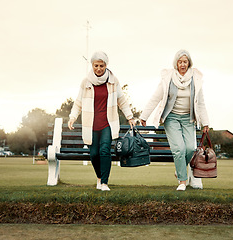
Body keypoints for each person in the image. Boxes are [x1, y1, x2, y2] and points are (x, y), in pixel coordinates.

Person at [140, 49, 210, 191]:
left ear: (189, 63)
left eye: (185, 61)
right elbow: (156, 97)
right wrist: (144, 116)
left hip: (188, 119)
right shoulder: (169, 78)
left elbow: (200, 102)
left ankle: (180, 169)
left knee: (190, 149)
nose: (183, 64)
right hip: (171, 118)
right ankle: (182, 181)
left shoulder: (195, 79)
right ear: (176, 63)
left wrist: (205, 122)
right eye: (180, 62)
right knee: (179, 149)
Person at [68, 51, 135, 191]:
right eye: (96, 65)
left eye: (102, 66)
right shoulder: (85, 82)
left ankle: (104, 182)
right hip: (90, 124)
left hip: (107, 123)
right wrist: (72, 117)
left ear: (106, 65)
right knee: (94, 154)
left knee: (105, 151)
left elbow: (121, 100)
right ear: (92, 65)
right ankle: (99, 177)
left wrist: (129, 117)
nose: (99, 69)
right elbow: (78, 102)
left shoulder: (113, 81)